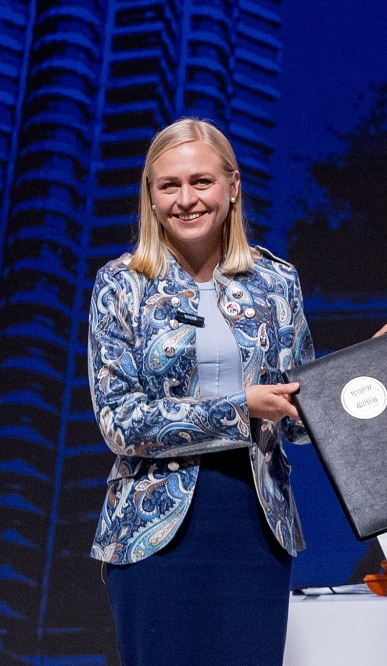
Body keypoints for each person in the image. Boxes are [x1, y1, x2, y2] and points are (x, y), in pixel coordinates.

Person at [87, 118, 314, 665]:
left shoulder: (275, 282)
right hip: (153, 534)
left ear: (232, 187)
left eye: (202, 182)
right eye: (170, 185)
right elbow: (121, 422)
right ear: (150, 195)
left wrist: (371, 370)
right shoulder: (121, 285)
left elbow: (303, 415)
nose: (187, 199)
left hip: (255, 526)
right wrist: (240, 410)